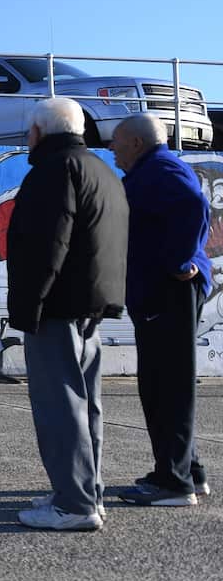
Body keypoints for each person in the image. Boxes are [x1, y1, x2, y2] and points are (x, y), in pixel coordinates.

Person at [8, 97, 128, 531]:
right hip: (91, 307)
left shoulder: (53, 172)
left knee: (59, 406)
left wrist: (28, 307)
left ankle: (74, 505)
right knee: (86, 406)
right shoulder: (102, 171)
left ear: (38, 132)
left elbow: (47, 245)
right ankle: (85, 492)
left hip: (56, 307)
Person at [109, 113, 211, 506]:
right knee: (163, 384)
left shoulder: (162, 169)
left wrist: (180, 261)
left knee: (166, 386)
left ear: (136, 142)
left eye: (117, 140)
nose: (112, 148)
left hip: (168, 291)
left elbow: (194, 204)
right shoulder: (153, 171)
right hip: (159, 293)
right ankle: (188, 471)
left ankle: (173, 483)